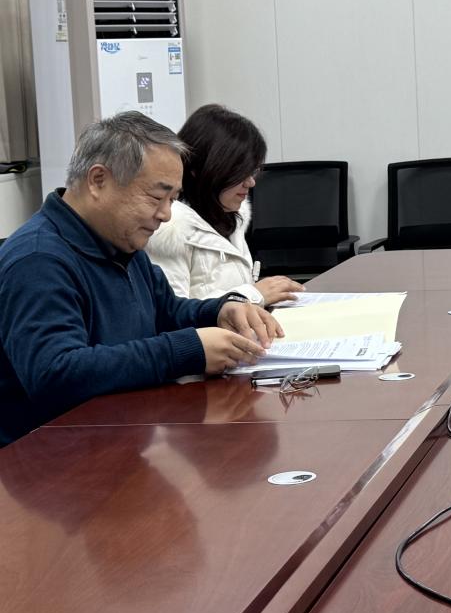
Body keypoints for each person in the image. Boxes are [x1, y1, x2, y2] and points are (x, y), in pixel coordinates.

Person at [0, 111, 282, 447]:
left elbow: (167, 311)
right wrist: (186, 350)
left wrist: (220, 311)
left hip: (121, 437)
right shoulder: (38, 260)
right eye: (156, 197)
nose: (166, 215)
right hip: (52, 459)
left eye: (172, 200)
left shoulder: (119, 241)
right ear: (98, 180)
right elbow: (56, 373)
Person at [146, 104, 302, 306]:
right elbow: (172, 312)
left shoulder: (229, 217)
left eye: (253, 171)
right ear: (199, 169)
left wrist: (255, 295)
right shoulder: (168, 228)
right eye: (240, 172)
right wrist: (252, 294)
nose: (250, 182)